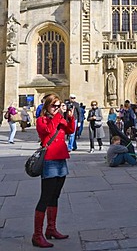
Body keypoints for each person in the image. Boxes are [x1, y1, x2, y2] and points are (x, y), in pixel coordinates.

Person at [32, 93, 75, 247]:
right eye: (54, 106)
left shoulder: (60, 118)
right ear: (47, 106)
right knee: (45, 197)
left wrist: (70, 117)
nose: (57, 109)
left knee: (55, 196)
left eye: (58, 106)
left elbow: (70, 130)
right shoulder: (41, 120)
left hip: (61, 160)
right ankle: (37, 235)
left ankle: (51, 229)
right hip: (49, 161)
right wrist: (58, 117)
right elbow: (48, 131)